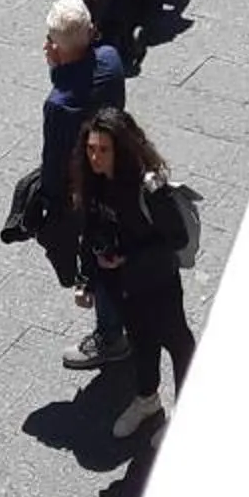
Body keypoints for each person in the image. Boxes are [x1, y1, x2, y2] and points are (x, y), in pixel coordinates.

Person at [79, 105, 192, 440]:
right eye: (91, 149)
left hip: (157, 282)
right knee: (141, 341)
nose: (95, 157)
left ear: (122, 150)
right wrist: (87, 278)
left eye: (104, 150)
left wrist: (127, 256)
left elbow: (176, 239)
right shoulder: (94, 181)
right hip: (121, 284)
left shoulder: (149, 188)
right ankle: (147, 400)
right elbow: (89, 229)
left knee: (177, 342)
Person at [41, 0, 130, 370]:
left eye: (51, 41)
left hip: (88, 187)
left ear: (60, 48)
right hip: (120, 168)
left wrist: (50, 203)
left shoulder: (59, 104)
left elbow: (55, 161)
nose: (46, 46)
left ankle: (110, 337)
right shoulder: (111, 59)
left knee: (99, 255)